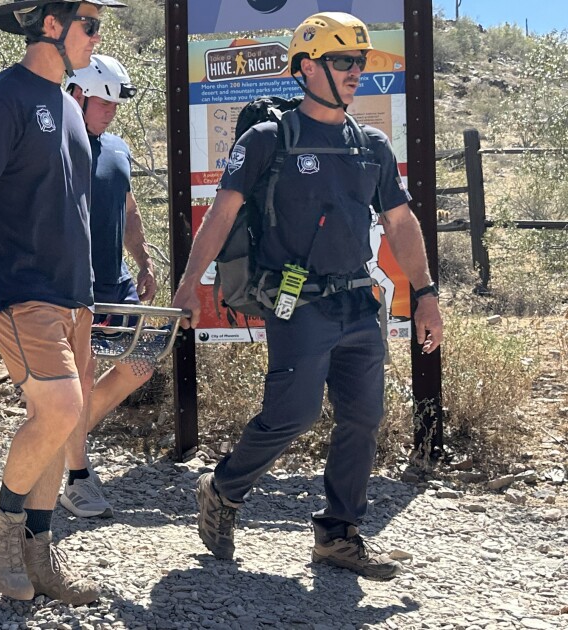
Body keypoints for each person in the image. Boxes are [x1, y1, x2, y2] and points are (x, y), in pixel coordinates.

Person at [169, 12, 444, 580]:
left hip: (357, 302)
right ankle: (223, 489)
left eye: (360, 61)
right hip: (298, 303)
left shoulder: (370, 145)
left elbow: (400, 221)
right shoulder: (269, 139)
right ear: (306, 68)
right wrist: (189, 286)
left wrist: (426, 294)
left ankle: (339, 534)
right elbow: (222, 215)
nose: (356, 71)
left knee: (363, 418)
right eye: (343, 60)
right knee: (291, 416)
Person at [0, 0, 125, 605]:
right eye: (90, 24)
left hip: (72, 294)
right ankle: (0, 529)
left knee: (65, 420)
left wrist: (90, 293)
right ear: (51, 25)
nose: (98, 37)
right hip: (22, 289)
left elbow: (75, 206)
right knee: (59, 410)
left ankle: (38, 550)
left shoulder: (70, 107)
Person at [59, 53, 157, 519]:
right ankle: (77, 476)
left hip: (117, 282)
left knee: (140, 366)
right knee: (82, 372)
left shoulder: (117, 148)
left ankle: (64, 440)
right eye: (104, 103)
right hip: (76, 285)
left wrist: (144, 260)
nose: (111, 112)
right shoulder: (55, 147)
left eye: (116, 104)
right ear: (77, 95)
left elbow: (129, 211)